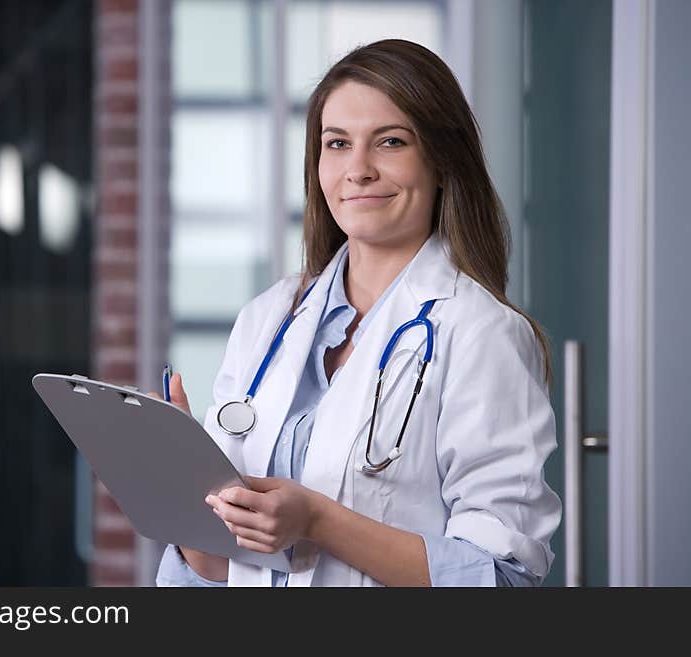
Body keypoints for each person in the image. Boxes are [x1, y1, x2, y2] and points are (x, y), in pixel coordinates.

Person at [152, 39, 561, 587]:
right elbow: (214, 569)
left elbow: (502, 577)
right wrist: (186, 487)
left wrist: (319, 521)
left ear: (442, 163)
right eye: (337, 143)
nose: (358, 169)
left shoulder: (481, 333)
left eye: (390, 142)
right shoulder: (268, 318)